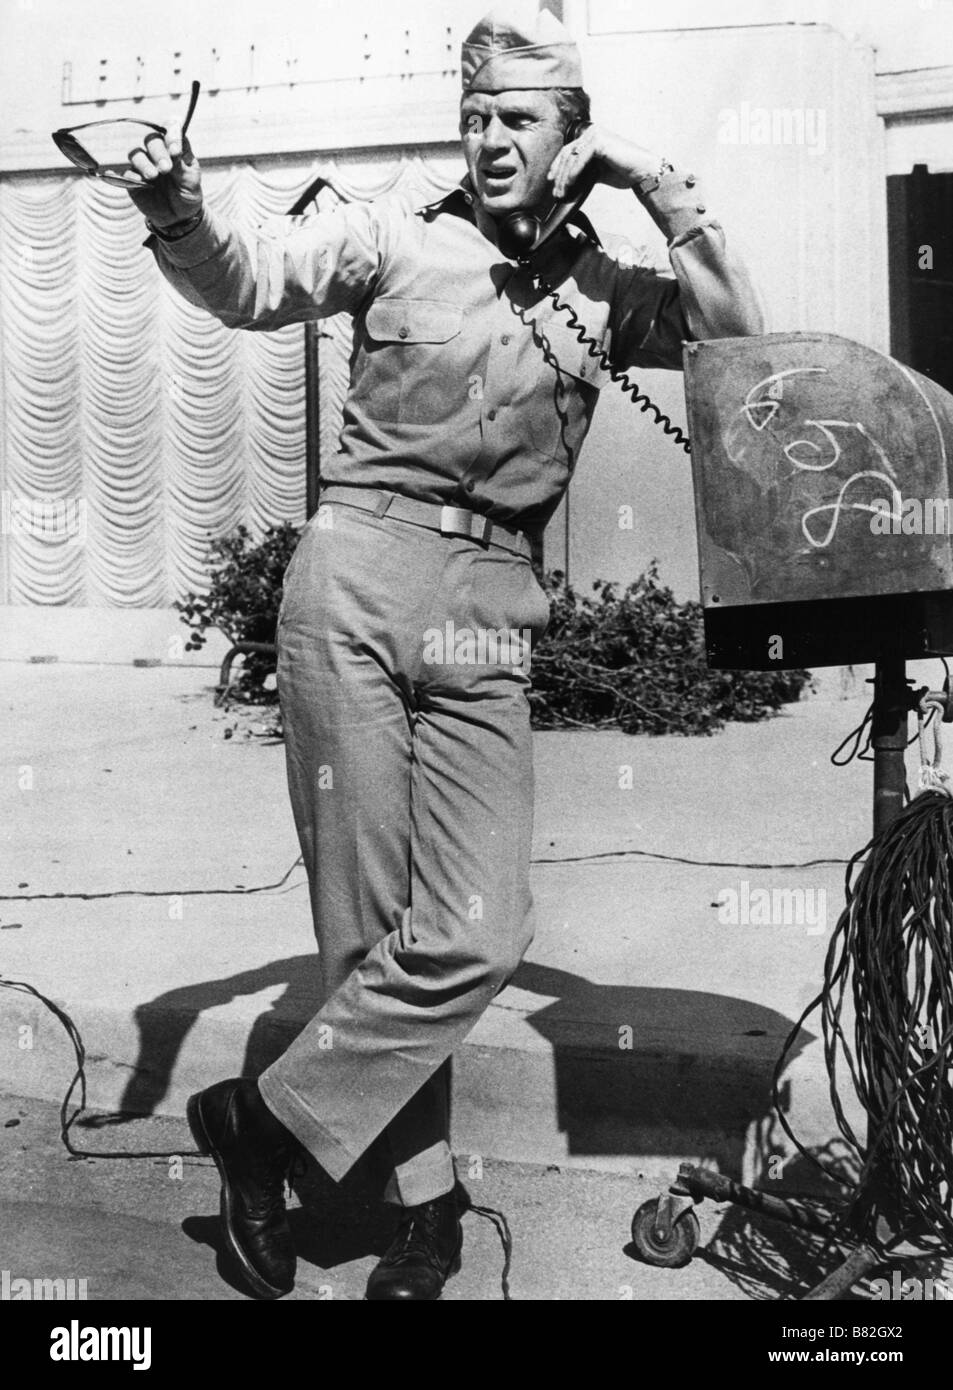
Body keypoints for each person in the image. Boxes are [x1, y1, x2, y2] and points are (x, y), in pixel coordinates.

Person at [126, 4, 764, 1301]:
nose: (486, 139)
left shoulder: (603, 288)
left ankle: (263, 1122)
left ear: (569, 137)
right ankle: (425, 1210)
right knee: (365, 935)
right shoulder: (394, 231)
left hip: (488, 601)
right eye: (473, 114)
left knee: (476, 927)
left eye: (517, 118)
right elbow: (249, 282)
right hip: (357, 565)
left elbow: (735, 342)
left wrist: (659, 187)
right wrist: (178, 212)